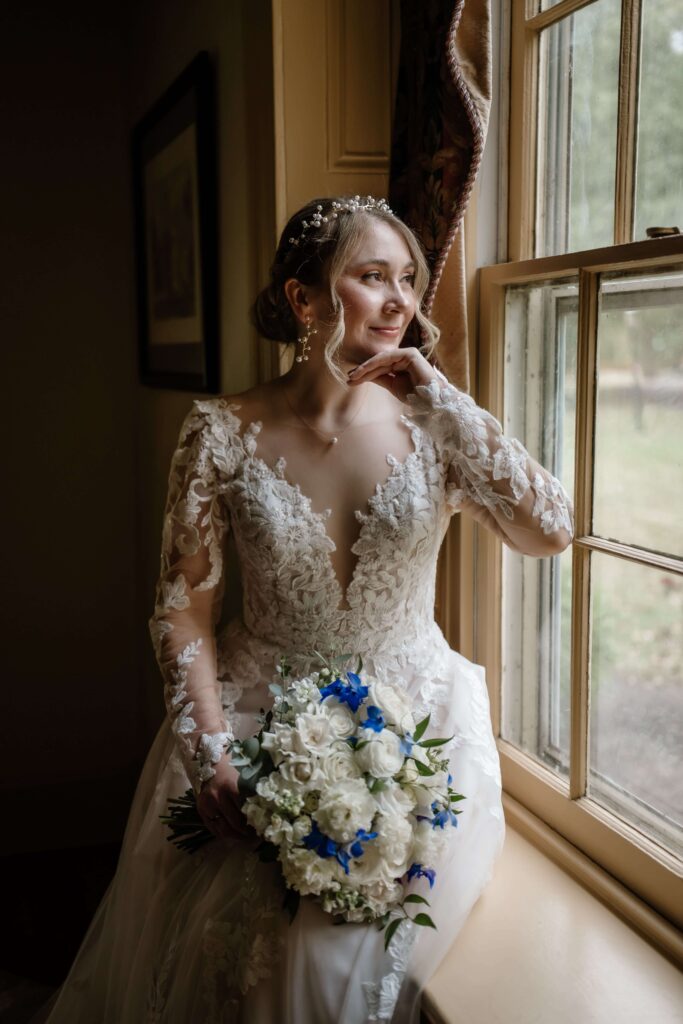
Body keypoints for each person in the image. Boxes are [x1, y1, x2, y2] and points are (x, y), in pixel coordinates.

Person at [43, 195, 573, 1023]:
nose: (401, 300)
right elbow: (182, 607)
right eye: (372, 277)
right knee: (240, 962)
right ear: (305, 299)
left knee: (339, 965)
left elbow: (550, 533)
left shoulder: (434, 427)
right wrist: (207, 745)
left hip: (416, 731)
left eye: (408, 279)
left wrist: (444, 402)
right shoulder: (220, 431)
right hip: (251, 720)